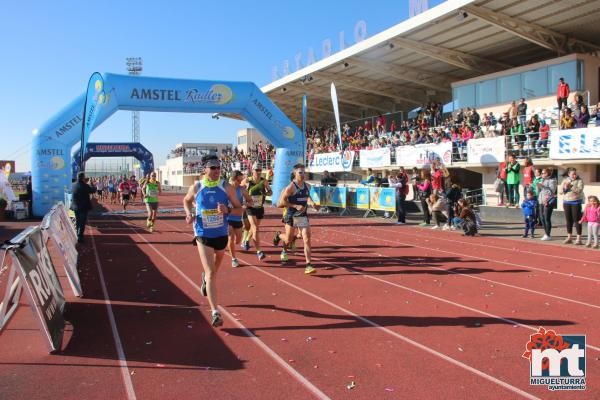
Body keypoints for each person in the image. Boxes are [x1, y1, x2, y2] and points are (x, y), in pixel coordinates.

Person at [183, 155, 243, 327]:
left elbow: (240, 210)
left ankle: (204, 279)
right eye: (213, 167)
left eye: (218, 167)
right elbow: (186, 201)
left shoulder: (226, 187)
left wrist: (228, 209)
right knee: (211, 274)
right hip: (203, 234)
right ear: (205, 169)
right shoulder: (197, 186)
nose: (216, 170)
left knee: (213, 273)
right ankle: (215, 312)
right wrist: (188, 213)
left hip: (221, 235)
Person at [274, 164, 320, 274]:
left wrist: (313, 204)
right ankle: (279, 235)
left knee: (307, 239)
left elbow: (308, 197)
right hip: (291, 215)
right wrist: (295, 206)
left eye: (304, 172)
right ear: (295, 173)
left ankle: (308, 264)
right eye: (300, 172)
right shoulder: (291, 187)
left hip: (302, 216)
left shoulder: (308, 186)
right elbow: (281, 202)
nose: (303, 174)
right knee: (288, 240)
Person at [242, 162, 272, 260]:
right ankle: (259, 251)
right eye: (256, 170)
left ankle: (246, 240)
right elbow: (239, 190)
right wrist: (244, 200)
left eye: (260, 170)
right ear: (252, 170)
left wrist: (266, 192)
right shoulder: (247, 180)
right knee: (255, 228)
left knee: (255, 228)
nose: (258, 172)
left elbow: (270, 192)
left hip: (260, 208)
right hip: (250, 208)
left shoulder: (264, 181)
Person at [227, 170, 252, 268]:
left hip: (238, 218)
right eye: (239, 180)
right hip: (227, 217)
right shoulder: (226, 188)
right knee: (231, 238)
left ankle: (233, 244)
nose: (241, 182)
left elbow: (250, 201)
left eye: (242, 179)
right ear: (234, 179)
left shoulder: (242, 189)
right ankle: (234, 259)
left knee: (238, 240)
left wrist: (246, 204)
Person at [71, 172, 97, 243]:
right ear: (83, 178)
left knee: (78, 221)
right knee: (82, 223)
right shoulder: (85, 186)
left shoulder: (73, 185)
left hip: (75, 207)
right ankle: (80, 237)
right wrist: (91, 183)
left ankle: (77, 234)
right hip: (83, 207)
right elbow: (93, 190)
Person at [561, 168, 584, 245]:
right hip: (566, 202)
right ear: (569, 174)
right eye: (572, 174)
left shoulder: (579, 180)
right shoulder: (565, 180)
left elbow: (579, 190)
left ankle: (578, 238)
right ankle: (569, 237)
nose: (574, 175)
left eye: (575, 174)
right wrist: (565, 188)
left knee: (577, 220)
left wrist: (571, 186)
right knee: (568, 220)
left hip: (576, 202)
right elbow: (561, 192)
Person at [536, 168, 557, 241]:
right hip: (541, 200)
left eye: (543, 173)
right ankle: (546, 233)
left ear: (548, 173)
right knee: (542, 218)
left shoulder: (552, 180)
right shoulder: (542, 180)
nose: (542, 174)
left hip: (548, 201)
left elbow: (552, 190)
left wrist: (542, 186)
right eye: (541, 173)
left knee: (546, 218)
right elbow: (540, 191)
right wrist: (538, 187)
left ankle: (548, 234)